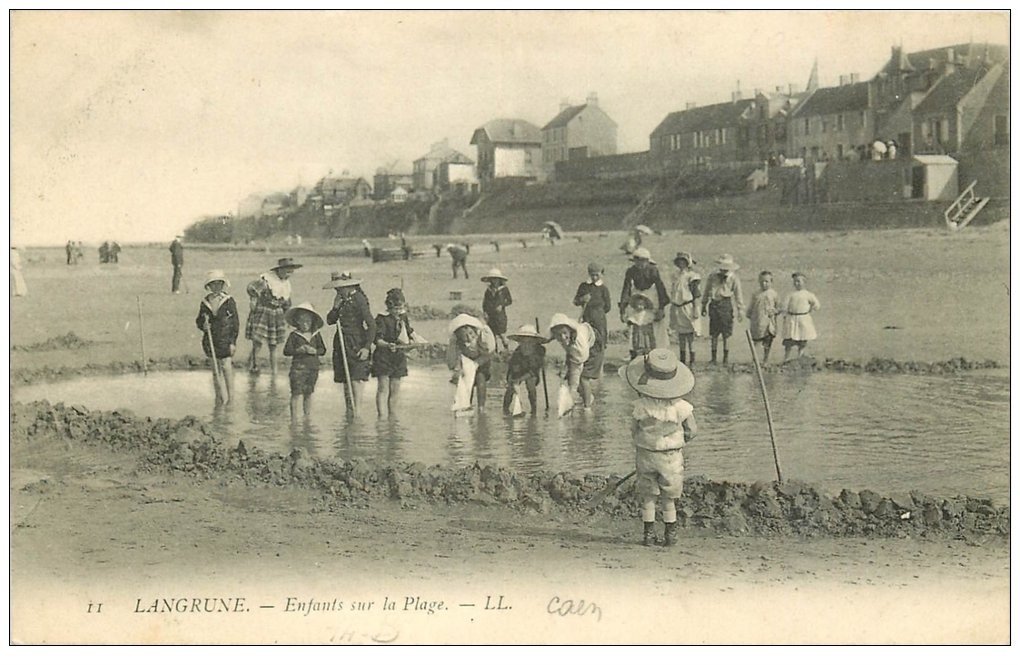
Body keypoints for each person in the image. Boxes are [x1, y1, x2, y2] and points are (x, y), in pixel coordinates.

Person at [620, 348, 697, 546]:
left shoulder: (640, 406)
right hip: (671, 456)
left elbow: (633, 429)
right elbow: (692, 430)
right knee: (669, 497)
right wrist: (680, 440)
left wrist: (645, 440)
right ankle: (670, 534)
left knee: (648, 495)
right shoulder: (681, 407)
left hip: (646, 454)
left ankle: (648, 534)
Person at [324, 271, 375, 414]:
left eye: (339, 287)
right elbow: (330, 321)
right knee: (345, 381)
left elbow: (372, 325)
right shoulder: (340, 299)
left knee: (355, 380)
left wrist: (366, 347)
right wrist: (335, 307)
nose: (337, 290)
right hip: (341, 343)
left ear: (348, 286)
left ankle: (357, 413)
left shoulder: (359, 299)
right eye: (336, 288)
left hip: (356, 342)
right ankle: (349, 413)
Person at [245, 257, 301, 375]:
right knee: (258, 342)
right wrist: (253, 300)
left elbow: (286, 303)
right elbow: (251, 288)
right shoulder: (268, 280)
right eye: (287, 270)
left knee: (273, 344)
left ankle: (274, 372)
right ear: (280, 270)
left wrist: (289, 319)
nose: (289, 273)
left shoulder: (286, 284)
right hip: (263, 312)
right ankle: (252, 365)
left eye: (291, 271)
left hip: (277, 315)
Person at [195, 270, 238, 405]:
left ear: (223, 285)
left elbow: (235, 323)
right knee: (215, 370)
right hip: (211, 341)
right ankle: (219, 397)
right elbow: (198, 320)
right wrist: (203, 325)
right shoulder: (205, 302)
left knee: (226, 367)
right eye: (213, 284)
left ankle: (231, 398)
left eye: (219, 284)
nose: (216, 287)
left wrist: (233, 342)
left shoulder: (228, 301)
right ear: (209, 286)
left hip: (225, 339)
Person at [619, 247, 669, 358]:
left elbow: (660, 288)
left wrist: (661, 308)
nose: (640, 264)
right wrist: (622, 309)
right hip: (637, 298)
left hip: (652, 296)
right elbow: (626, 289)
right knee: (635, 324)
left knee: (655, 326)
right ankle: (634, 350)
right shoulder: (631, 271)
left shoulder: (653, 270)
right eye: (637, 261)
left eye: (642, 261)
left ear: (647, 261)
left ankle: (657, 352)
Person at [372, 287, 415, 417]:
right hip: (383, 356)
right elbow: (377, 340)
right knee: (383, 388)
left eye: (400, 308)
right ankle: (382, 417)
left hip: (398, 356)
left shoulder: (403, 317)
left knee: (395, 389)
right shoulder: (381, 319)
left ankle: (392, 417)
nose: (398, 311)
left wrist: (416, 341)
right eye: (395, 309)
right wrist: (387, 345)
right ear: (389, 307)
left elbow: (409, 332)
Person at [283, 302, 327, 420]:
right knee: (296, 393)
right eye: (302, 321)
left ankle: (307, 418)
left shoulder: (316, 335)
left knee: (308, 393)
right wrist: (299, 350)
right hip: (298, 368)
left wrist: (315, 351)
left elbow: (323, 350)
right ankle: (294, 419)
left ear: (312, 321)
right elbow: (287, 351)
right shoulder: (294, 335)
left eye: (308, 321)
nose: (305, 324)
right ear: (297, 322)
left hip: (313, 368)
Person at [548, 312, 601, 412]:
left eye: (564, 333)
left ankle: (587, 408)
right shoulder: (563, 335)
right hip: (576, 350)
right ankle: (588, 397)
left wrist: (572, 390)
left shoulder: (579, 344)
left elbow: (578, 366)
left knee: (583, 377)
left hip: (594, 345)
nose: (563, 337)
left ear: (570, 331)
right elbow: (549, 337)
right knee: (569, 377)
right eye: (559, 335)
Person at [700, 253, 744, 364]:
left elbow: (738, 295)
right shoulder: (712, 276)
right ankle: (713, 358)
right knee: (714, 333)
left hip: (726, 304)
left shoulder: (733, 278)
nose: (724, 270)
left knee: (726, 333)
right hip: (714, 304)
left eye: (726, 268)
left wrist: (740, 310)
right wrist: (704, 305)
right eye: (722, 268)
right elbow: (706, 291)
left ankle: (725, 358)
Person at [447, 313, 496, 413]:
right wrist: (457, 369)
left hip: (482, 359)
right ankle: (465, 404)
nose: (469, 338)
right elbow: (453, 357)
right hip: (466, 360)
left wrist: (477, 364)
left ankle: (481, 407)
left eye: (471, 334)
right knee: (466, 382)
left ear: (474, 331)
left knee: (480, 379)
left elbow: (489, 352)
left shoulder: (483, 336)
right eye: (464, 336)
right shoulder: (455, 341)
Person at [502, 324, 548, 416]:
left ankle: (533, 410)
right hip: (519, 370)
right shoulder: (517, 354)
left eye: (530, 342)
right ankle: (505, 409)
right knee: (511, 387)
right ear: (519, 342)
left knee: (530, 385)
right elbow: (512, 371)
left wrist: (521, 379)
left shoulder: (538, 353)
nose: (526, 345)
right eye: (523, 342)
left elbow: (533, 371)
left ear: (535, 343)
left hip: (531, 372)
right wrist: (511, 381)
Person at [573, 261, 612, 359]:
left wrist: (599, 311)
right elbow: (575, 301)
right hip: (587, 316)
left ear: (601, 274)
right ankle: (587, 357)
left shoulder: (603, 289)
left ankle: (599, 359)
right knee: (587, 336)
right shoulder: (584, 286)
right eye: (592, 275)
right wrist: (582, 299)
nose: (594, 277)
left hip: (599, 318)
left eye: (597, 275)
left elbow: (608, 306)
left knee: (600, 338)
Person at [668, 252, 701, 365]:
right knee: (680, 334)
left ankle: (692, 360)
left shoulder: (692, 276)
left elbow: (696, 294)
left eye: (683, 261)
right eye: (679, 262)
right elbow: (673, 291)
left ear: (687, 263)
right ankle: (682, 359)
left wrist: (696, 309)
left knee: (690, 334)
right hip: (677, 308)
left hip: (688, 306)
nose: (681, 263)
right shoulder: (675, 275)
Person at [781, 272, 821, 363]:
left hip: (803, 318)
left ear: (804, 282)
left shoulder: (808, 294)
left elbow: (817, 305)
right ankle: (786, 357)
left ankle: (800, 355)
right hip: (791, 318)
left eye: (799, 281)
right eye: (795, 281)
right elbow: (784, 306)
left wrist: (810, 309)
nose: (796, 283)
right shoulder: (790, 294)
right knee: (789, 339)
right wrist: (784, 314)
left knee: (802, 339)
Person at [747, 270, 780, 363]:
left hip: (769, 322)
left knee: (768, 341)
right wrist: (748, 314)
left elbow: (779, 307)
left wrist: (776, 311)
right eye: (762, 282)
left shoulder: (774, 293)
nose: (764, 284)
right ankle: (755, 359)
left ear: (771, 282)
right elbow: (751, 306)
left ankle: (766, 359)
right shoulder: (756, 293)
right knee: (756, 341)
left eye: (767, 282)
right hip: (757, 320)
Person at [481, 268, 513, 352]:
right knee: (492, 335)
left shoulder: (504, 289)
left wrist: (502, 305)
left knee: (502, 334)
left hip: (500, 316)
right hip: (491, 316)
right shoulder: (488, 291)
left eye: (496, 279)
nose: (494, 281)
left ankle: (507, 350)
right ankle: (495, 352)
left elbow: (509, 301)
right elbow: (485, 303)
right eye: (492, 279)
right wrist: (485, 312)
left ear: (499, 280)